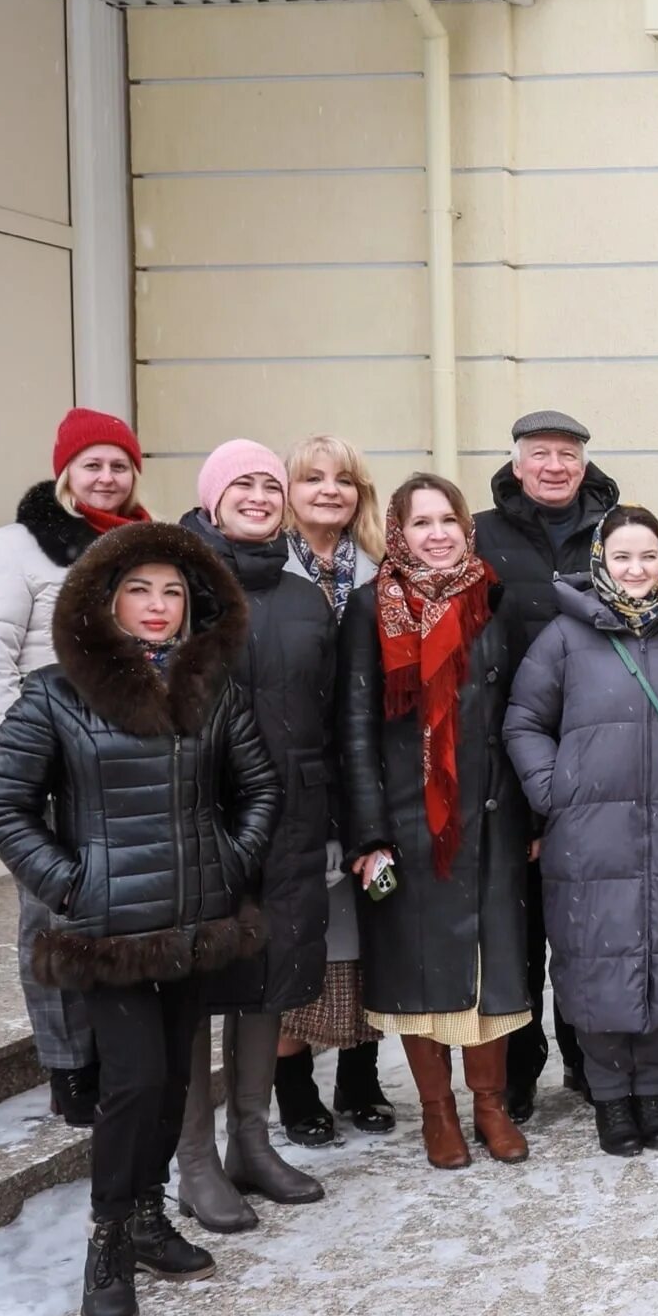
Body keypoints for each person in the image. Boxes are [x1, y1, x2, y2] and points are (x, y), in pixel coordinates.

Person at [0, 521, 280, 1316]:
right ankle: (106, 1240)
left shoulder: (212, 691)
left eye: (173, 592)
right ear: (104, 603)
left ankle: (149, 1217)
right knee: (135, 1082)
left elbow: (259, 791)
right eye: (139, 590)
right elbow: (3, 808)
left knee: (178, 1080)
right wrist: (70, 885)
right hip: (104, 936)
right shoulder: (53, 695)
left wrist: (225, 862)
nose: (157, 605)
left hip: (192, 925)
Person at [506, 506, 658, 1158]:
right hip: (590, 836)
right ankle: (610, 1098)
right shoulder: (563, 639)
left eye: (649, 556)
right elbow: (524, 721)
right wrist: (555, 792)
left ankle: (652, 1093)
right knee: (597, 966)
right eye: (623, 556)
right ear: (601, 561)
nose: (637, 569)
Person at [0, 408, 151, 1128]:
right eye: (92, 464)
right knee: (53, 921)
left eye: (119, 464)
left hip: (125, 770)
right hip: (41, 771)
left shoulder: (141, 547)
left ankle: (116, 1052)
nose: (107, 477)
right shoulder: (15, 549)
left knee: (119, 918)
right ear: (64, 472)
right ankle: (70, 1069)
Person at [340, 474, 534, 1170]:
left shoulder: (494, 597)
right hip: (408, 823)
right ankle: (438, 1111)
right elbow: (356, 728)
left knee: (492, 971)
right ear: (397, 532)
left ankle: (489, 1104)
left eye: (448, 520)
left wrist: (530, 812)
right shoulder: (371, 609)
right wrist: (369, 835)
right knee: (419, 978)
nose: (437, 534)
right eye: (420, 522)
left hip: (490, 818)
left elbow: (520, 711)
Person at [173, 443, 333, 1230]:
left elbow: (330, 715)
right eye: (243, 483)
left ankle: (252, 1142)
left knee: (268, 978)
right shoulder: (179, 587)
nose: (261, 495)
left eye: (272, 483)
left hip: (292, 819)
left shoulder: (305, 600)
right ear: (211, 497)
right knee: (194, 988)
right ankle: (195, 1162)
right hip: (200, 821)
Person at [474, 410, 619, 1119]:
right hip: (509, 749)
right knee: (520, 924)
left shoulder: (615, 533)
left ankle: (588, 1059)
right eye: (541, 454)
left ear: (584, 465)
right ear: (518, 462)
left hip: (598, 752)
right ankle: (522, 1066)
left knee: (587, 924)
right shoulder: (481, 536)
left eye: (567, 454)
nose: (555, 466)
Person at [270, 435, 394, 1145]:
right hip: (291, 776)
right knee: (295, 939)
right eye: (312, 478)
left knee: (365, 931)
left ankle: (360, 1077)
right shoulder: (265, 567)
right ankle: (294, 1092)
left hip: (364, 773)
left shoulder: (376, 572)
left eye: (344, 480)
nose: (329, 490)